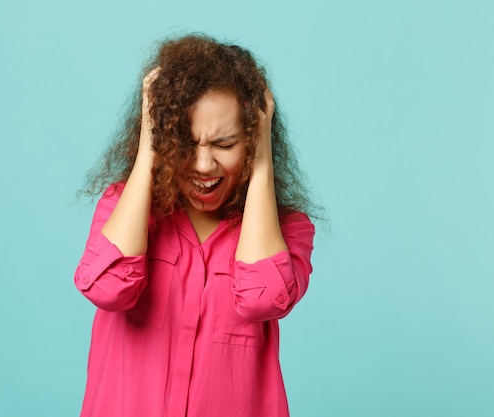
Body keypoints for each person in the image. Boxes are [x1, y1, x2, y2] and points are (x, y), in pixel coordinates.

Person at [74, 34, 318, 417]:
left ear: (251, 142)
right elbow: (106, 289)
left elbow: (262, 299)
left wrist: (261, 163)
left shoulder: (288, 230)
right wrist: (149, 151)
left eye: (225, 144)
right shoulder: (124, 208)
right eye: (185, 143)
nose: (203, 165)